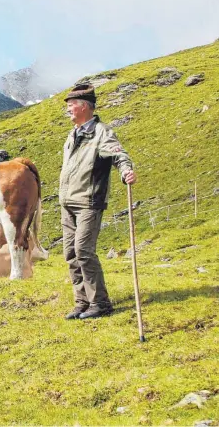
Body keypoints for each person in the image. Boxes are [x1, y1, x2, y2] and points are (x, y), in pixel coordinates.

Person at [59, 83, 137, 320]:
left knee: (83, 250)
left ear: (84, 107)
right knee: (70, 253)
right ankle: (82, 302)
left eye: (71, 105)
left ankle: (100, 303)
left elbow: (119, 155)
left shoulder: (102, 132)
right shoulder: (72, 135)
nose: (69, 110)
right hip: (68, 202)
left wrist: (126, 171)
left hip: (88, 202)